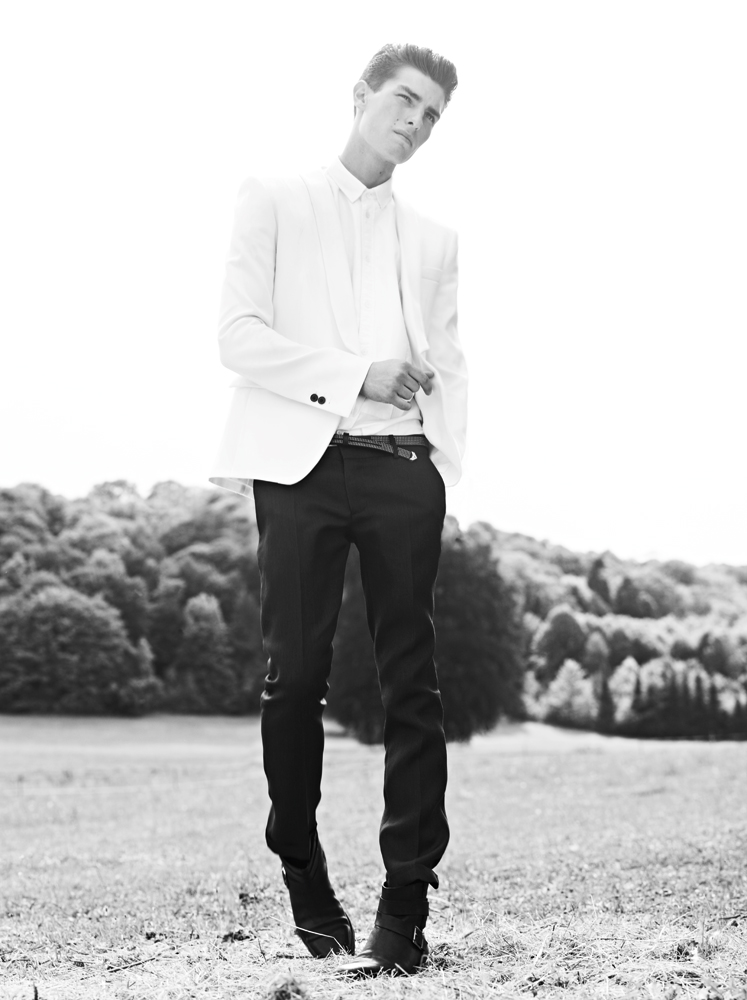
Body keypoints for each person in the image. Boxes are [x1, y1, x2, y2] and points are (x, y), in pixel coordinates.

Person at [210, 42, 467, 977]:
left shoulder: (433, 238)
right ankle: (301, 866)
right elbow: (238, 337)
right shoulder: (273, 198)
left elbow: (449, 360)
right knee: (295, 677)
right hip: (298, 470)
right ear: (360, 96)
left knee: (413, 684)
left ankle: (406, 908)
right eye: (405, 100)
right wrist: (356, 374)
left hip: (401, 466)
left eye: (431, 115)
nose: (416, 123)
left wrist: (442, 467)